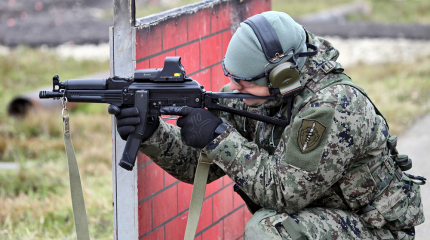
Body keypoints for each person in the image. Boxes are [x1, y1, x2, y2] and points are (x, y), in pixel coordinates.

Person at [110, 11, 424, 240]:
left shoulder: (332, 107)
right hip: (325, 215)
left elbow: (284, 194)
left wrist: (220, 138)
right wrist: (153, 134)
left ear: (281, 78)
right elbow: (199, 166)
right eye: (233, 80)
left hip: (374, 228)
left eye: (244, 85)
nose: (234, 90)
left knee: (269, 231)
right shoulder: (260, 95)